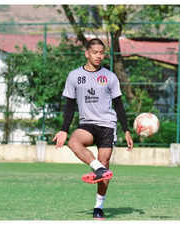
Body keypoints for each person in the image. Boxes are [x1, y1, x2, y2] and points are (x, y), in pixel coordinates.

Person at [52, 38, 133, 220]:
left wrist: (126, 130)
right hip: (87, 123)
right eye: (95, 52)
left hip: (107, 124)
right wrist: (64, 129)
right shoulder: (74, 76)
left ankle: (99, 206)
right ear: (87, 53)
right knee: (73, 141)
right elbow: (70, 105)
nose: (98, 56)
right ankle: (98, 168)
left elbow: (119, 104)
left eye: (101, 53)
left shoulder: (110, 77)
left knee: (105, 165)